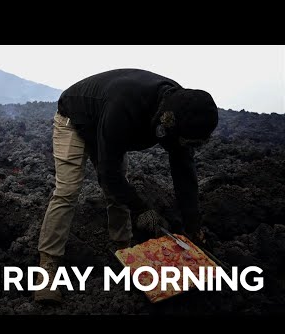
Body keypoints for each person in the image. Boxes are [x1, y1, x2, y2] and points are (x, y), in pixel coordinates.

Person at [34, 69, 219, 303]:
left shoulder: (185, 110)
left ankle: (123, 253)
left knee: (119, 194)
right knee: (68, 191)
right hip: (76, 119)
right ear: (165, 121)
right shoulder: (125, 107)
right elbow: (108, 175)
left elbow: (184, 174)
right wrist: (142, 209)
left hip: (109, 123)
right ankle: (47, 269)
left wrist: (193, 228)